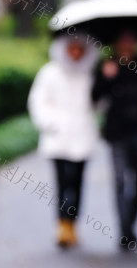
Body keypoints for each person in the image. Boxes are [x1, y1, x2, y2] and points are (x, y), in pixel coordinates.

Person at [27, 32, 101, 249]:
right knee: (62, 182)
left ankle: (73, 224)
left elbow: (98, 103)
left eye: (81, 49)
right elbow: (38, 102)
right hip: (58, 138)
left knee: (77, 182)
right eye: (72, 48)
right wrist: (51, 124)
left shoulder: (89, 74)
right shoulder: (49, 73)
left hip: (82, 136)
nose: (76, 53)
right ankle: (62, 225)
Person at [91, 29, 137, 251]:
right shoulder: (108, 65)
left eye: (131, 39)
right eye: (123, 40)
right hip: (117, 131)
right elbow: (94, 97)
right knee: (121, 181)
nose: (127, 44)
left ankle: (130, 224)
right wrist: (106, 77)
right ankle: (124, 231)